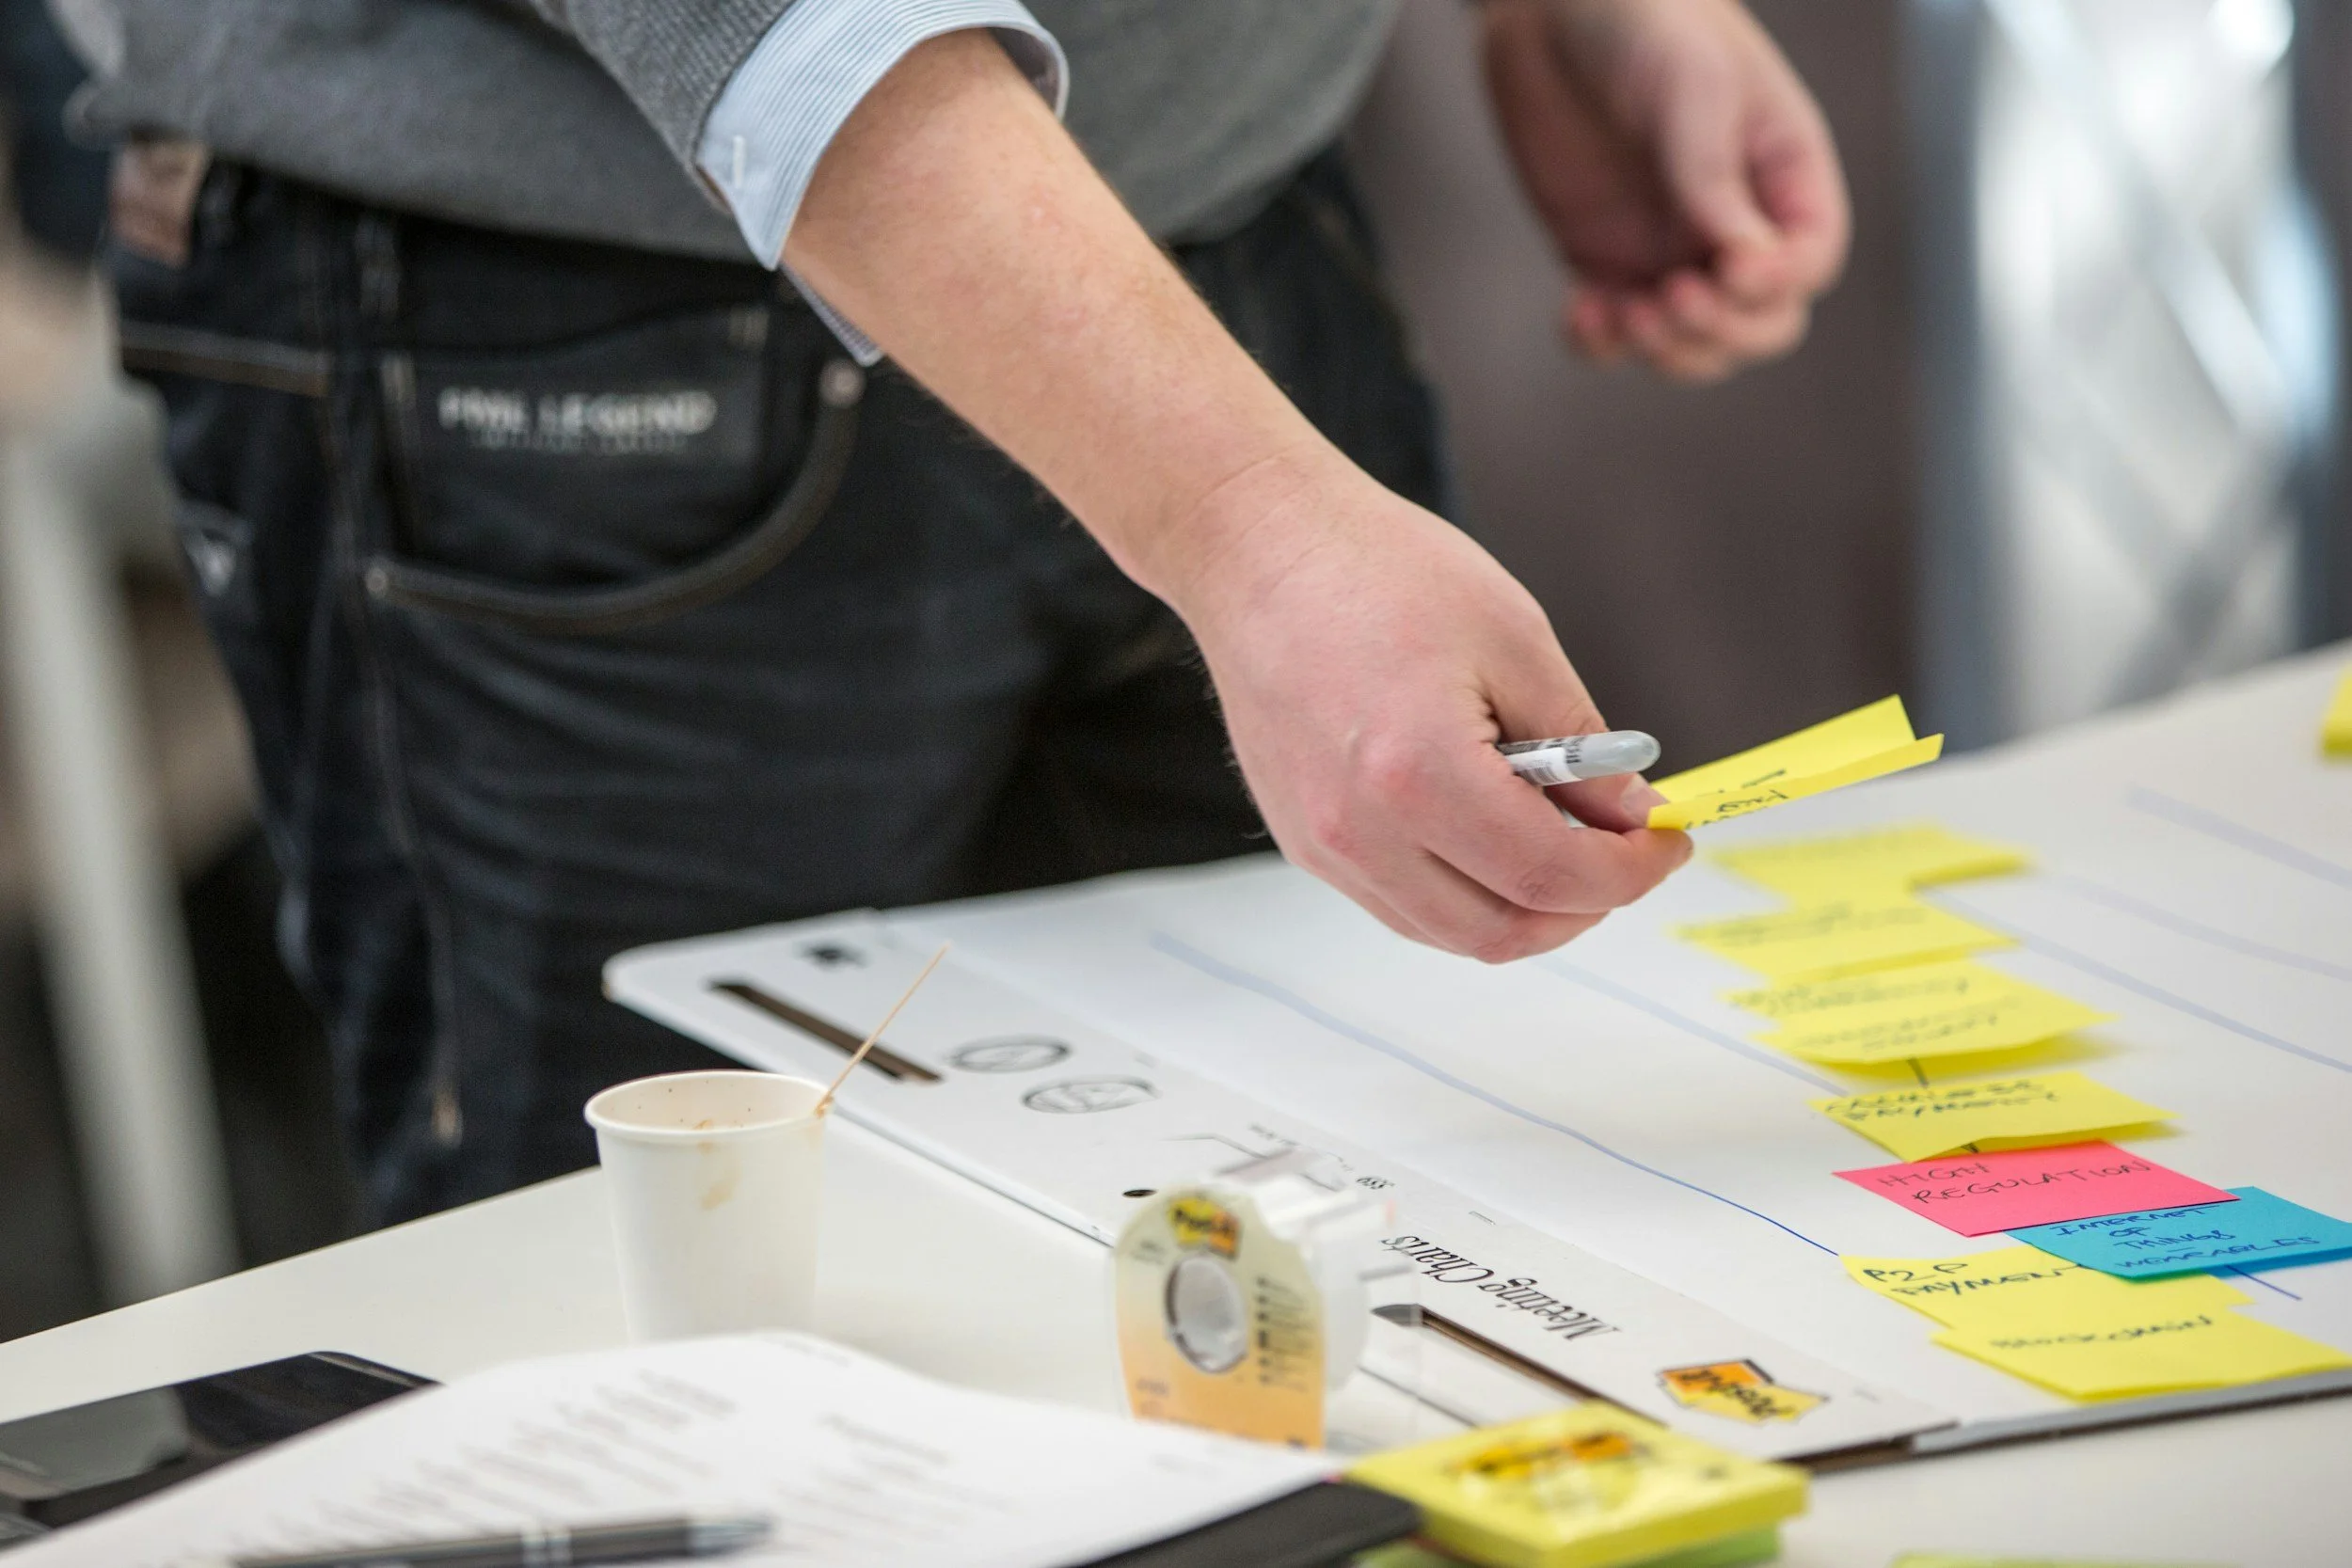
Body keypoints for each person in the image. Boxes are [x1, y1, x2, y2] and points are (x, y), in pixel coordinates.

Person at [70, 0, 1850, 1223]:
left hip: (1237, 225)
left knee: (1360, 1280)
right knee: (690, 1373)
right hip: (566, 317)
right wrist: (1248, 523)